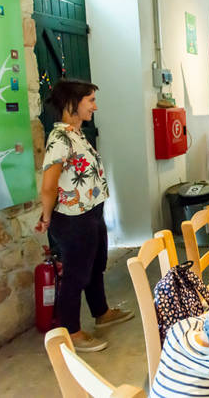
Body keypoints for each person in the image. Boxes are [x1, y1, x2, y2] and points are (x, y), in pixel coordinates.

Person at [35, 79, 132, 352]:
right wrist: (46, 218)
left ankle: (101, 312)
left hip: (92, 212)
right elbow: (49, 186)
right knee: (76, 275)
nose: (95, 107)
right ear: (72, 103)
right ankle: (71, 332)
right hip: (73, 218)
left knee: (96, 265)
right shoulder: (59, 139)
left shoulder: (76, 134)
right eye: (90, 100)